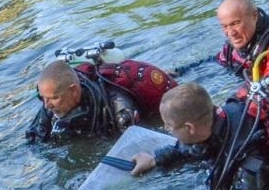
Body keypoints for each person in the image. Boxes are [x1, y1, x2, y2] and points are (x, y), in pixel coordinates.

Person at [130, 82, 269, 190]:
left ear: (189, 127)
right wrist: (154, 160)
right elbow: (194, 148)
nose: (167, 129)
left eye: (169, 125)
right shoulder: (220, 117)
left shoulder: (246, 156)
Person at [25, 58, 177, 143]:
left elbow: (140, 142)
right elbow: (34, 139)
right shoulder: (50, 103)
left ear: (73, 90)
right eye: (43, 98)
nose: (47, 105)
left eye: (54, 98)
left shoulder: (117, 107)